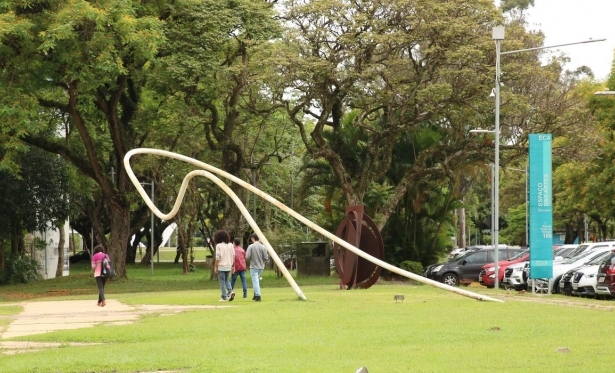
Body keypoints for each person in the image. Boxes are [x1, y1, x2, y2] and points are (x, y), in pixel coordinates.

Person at [214, 230, 235, 302]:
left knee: (222, 281)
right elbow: (233, 256)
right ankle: (230, 291)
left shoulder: (218, 245)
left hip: (221, 266)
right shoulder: (231, 245)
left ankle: (224, 297)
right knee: (226, 280)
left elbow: (217, 257)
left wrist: (215, 267)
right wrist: (233, 266)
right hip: (229, 265)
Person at [246, 233, 268, 301]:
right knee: (256, 280)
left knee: (255, 281)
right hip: (261, 267)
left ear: (253, 238)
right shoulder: (263, 246)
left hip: (253, 266)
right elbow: (266, 257)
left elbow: (247, 256)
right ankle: (255, 295)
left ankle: (258, 295)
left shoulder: (251, 246)